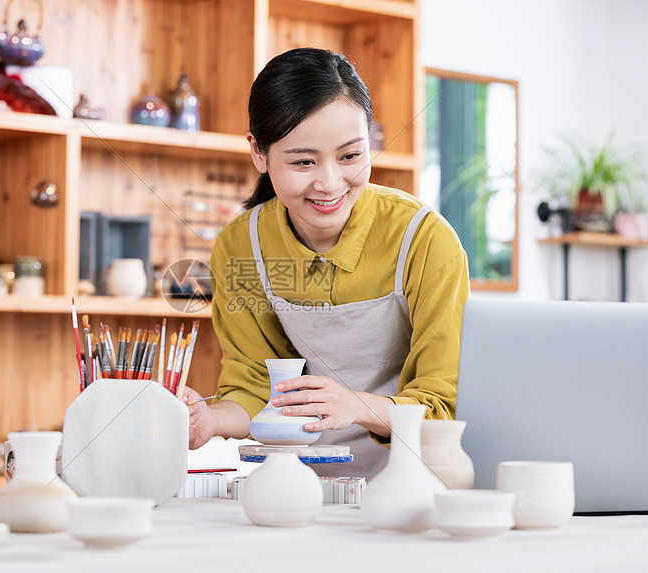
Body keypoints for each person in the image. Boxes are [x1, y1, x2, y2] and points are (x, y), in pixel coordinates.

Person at [183, 47, 470, 480]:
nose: (330, 183)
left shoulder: (425, 240)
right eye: (303, 162)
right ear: (258, 154)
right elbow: (257, 389)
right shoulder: (241, 247)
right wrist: (209, 418)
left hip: (413, 483)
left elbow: (442, 406)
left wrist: (355, 405)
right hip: (303, 484)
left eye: (351, 156)